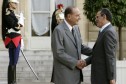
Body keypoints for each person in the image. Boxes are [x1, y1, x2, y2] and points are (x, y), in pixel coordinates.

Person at [51, 6, 92, 84]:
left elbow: (80, 46)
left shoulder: (76, 28)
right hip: (64, 77)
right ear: (69, 16)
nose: (79, 18)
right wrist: (76, 62)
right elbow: (58, 53)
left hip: (76, 75)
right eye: (77, 15)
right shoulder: (58, 30)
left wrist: (96, 51)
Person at [85, 8, 118, 84]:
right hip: (99, 77)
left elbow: (110, 56)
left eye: (97, 17)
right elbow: (98, 54)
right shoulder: (103, 31)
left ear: (104, 17)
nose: (95, 19)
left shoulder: (108, 32)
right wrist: (85, 61)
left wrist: (111, 78)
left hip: (104, 79)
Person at [2, 0, 24, 84]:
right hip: (13, 40)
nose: (16, 4)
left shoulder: (11, 13)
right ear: (10, 4)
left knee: (13, 61)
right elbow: (17, 27)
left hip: (15, 39)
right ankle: (12, 81)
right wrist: (21, 19)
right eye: (14, 3)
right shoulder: (8, 14)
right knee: (14, 61)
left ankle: (11, 81)